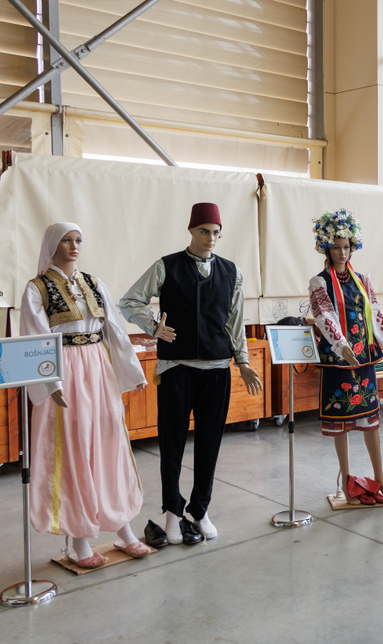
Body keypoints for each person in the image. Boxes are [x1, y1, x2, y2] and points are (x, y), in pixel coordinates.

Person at [120, 203, 263, 545]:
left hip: (217, 370)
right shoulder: (166, 266)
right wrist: (153, 327)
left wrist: (242, 361)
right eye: (204, 231)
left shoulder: (232, 272)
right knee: (171, 443)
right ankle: (172, 511)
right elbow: (129, 302)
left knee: (210, 443)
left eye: (215, 232)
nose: (210, 238)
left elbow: (235, 321)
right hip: (176, 369)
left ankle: (200, 510)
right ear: (191, 230)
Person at [20, 223, 149, 568]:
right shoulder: (37, 288)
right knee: (73, 448)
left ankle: (122, 527)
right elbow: (34, 337)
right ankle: (79, 538)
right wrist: (51, 384)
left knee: (109, 441)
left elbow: (114, 329)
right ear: (52, 244)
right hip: (64, 368)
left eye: (78, 240)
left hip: (98, 366)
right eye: (66, 240)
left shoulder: (93, 283)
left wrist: (133, 371)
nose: (74, 246)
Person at [308, 209, 383, 504]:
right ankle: (347, 481)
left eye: (346, 247)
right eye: (336, 247)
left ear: (353, 247)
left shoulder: (363, 280)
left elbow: (374, 315)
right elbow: (324, 317)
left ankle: (381, 479)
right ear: (327, 248)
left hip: (363, 358)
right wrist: (341, 345)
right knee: (341, 421)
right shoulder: (319, 282)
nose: (342, 253)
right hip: (339, 360)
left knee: (370, 420)